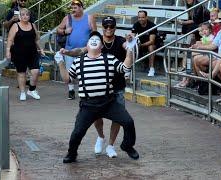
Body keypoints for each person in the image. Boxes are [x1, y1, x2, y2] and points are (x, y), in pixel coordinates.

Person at [54, 31, 139, 163]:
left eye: (97, 40)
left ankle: (127, 145)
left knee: (128, 122)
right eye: (91, 40)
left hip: (109, 103)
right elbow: (67, 79)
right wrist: (60, 62)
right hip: (88, 105)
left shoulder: (109, 58)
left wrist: (129, 49)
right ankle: (72, 154)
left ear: (101, 47)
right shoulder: (78, 61)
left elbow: (125, 67)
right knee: (77, 133)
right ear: (86, 46)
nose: (94, 41)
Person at [56, 0, 96, 100]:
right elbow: (58, 30)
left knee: (84, 72)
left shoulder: (89, 18)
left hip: (85, 50)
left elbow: (95, 33)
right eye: (72, 8)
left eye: (75, 8)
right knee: (70, 72)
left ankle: (85, 91)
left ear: (81, 7)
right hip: (69, 50)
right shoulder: (67, 18)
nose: (73, 10)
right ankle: (71, 90)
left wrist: (91, 46)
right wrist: (65, 31)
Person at [6, 8, 44, 101]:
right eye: (23, 15)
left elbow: (37, 39)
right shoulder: (15, 26)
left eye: (27, 15)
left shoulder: (33, 25)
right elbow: (10, 40)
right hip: (19, 53)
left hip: (32, 52)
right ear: (20, 16)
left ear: (29, 16)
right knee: (21, 73)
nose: (25, 16)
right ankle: (23, 92)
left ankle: (31, 90)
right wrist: (8, 51)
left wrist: (41, 49)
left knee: (36, 72)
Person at [131, 10, 157, 77]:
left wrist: (141, 45)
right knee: (129, 46)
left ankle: (151, 69)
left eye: (142, 17)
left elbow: (152, 41)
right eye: (139, 17)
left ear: (146, 17)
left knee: (150, 47)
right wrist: (130, 39)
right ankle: (128, 68)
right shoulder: (136, 24)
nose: (140, 19)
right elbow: (132, 36)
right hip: (141, 44)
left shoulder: (152, 25)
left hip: (154, 44)